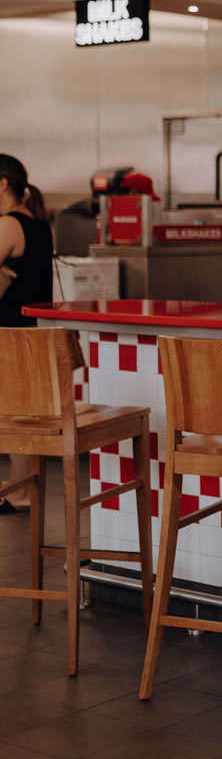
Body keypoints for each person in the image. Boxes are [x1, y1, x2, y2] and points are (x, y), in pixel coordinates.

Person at [0, 155, 54, 511]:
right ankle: (21, 487)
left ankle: (20, 491)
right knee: (21, 414)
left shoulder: (8, 224)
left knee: (13, 414)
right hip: (32, 334)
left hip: (10, 334)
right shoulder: (38, 224)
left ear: (2, 183)